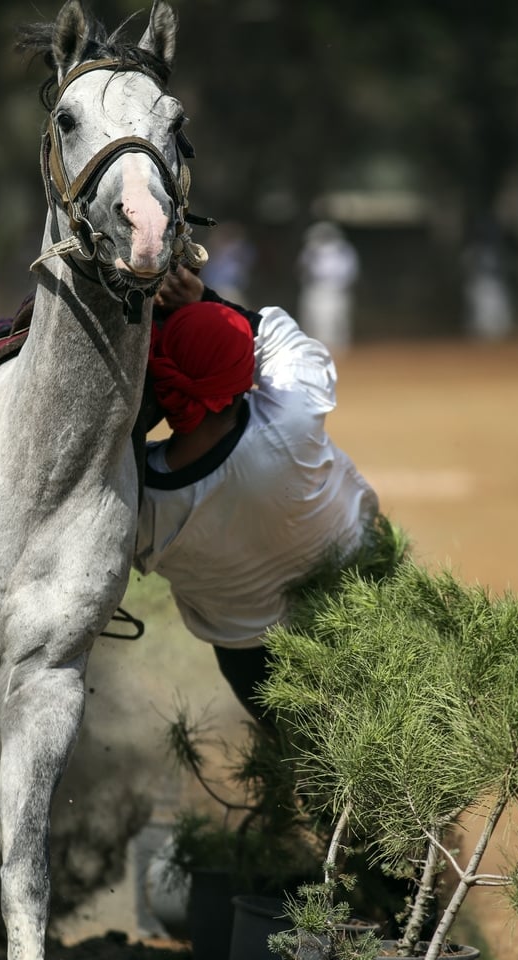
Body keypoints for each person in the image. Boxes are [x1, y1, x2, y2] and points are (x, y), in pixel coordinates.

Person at [134, 264, 380, 722]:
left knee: (305, 763)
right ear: (242, 374)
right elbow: (282, 339)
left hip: (253, 666)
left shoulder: (143, 506)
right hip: (360, 591)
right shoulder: (291, 418)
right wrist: (206, 299)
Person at [297, 220, 359, 356]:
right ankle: (314, 349)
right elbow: (303, 269)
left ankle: (337, 350)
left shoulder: (342, 250)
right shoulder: (311, 250)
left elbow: (349, 271)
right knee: (313, 321)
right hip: (314, 289)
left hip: (335, 290)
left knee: (335, 320)